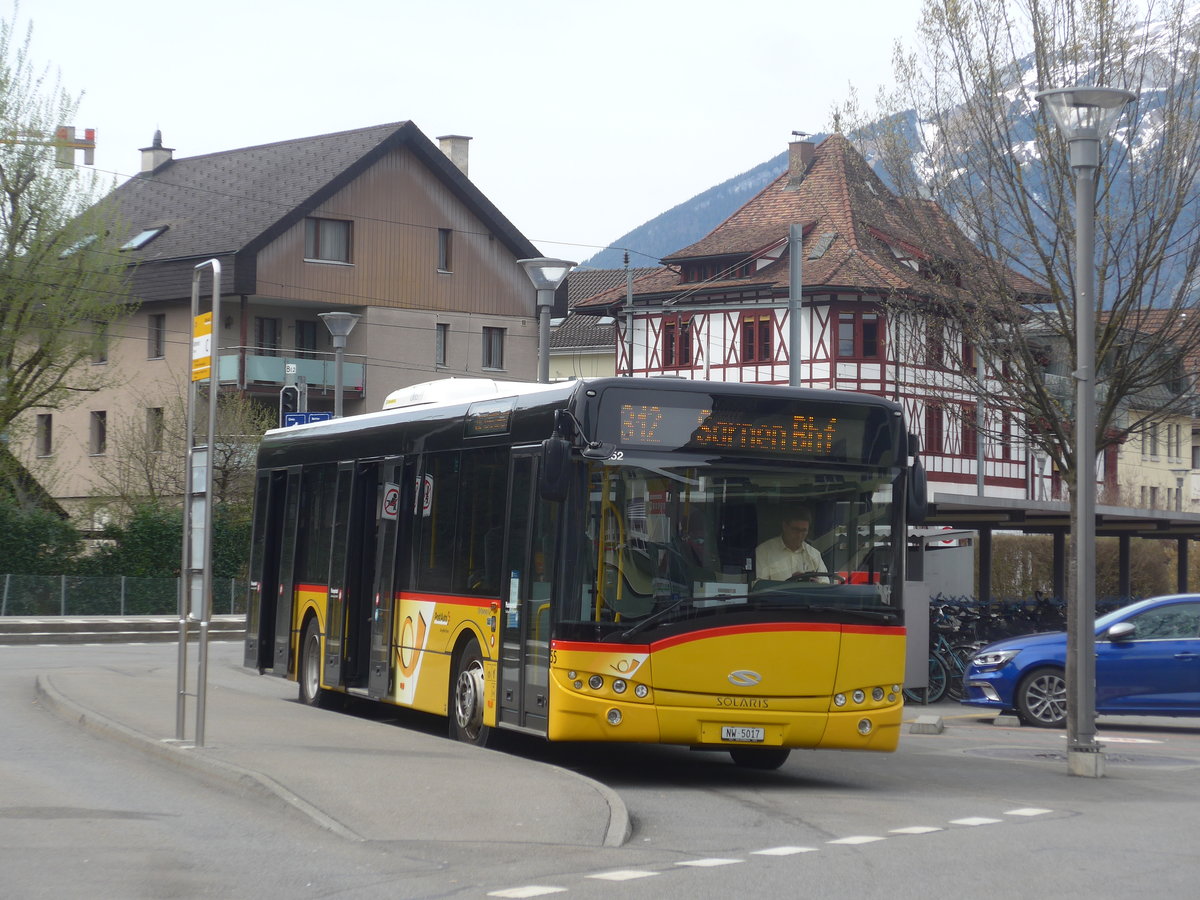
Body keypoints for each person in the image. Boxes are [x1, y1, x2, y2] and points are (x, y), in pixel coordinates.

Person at [755, 506, 828, 582]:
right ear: (785, 526)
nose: (799, 535)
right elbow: (759, 586)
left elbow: (826, 583)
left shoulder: (814, 554)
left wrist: (817, 583)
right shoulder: (764, 552)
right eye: (796, 530)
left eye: (804, 531)